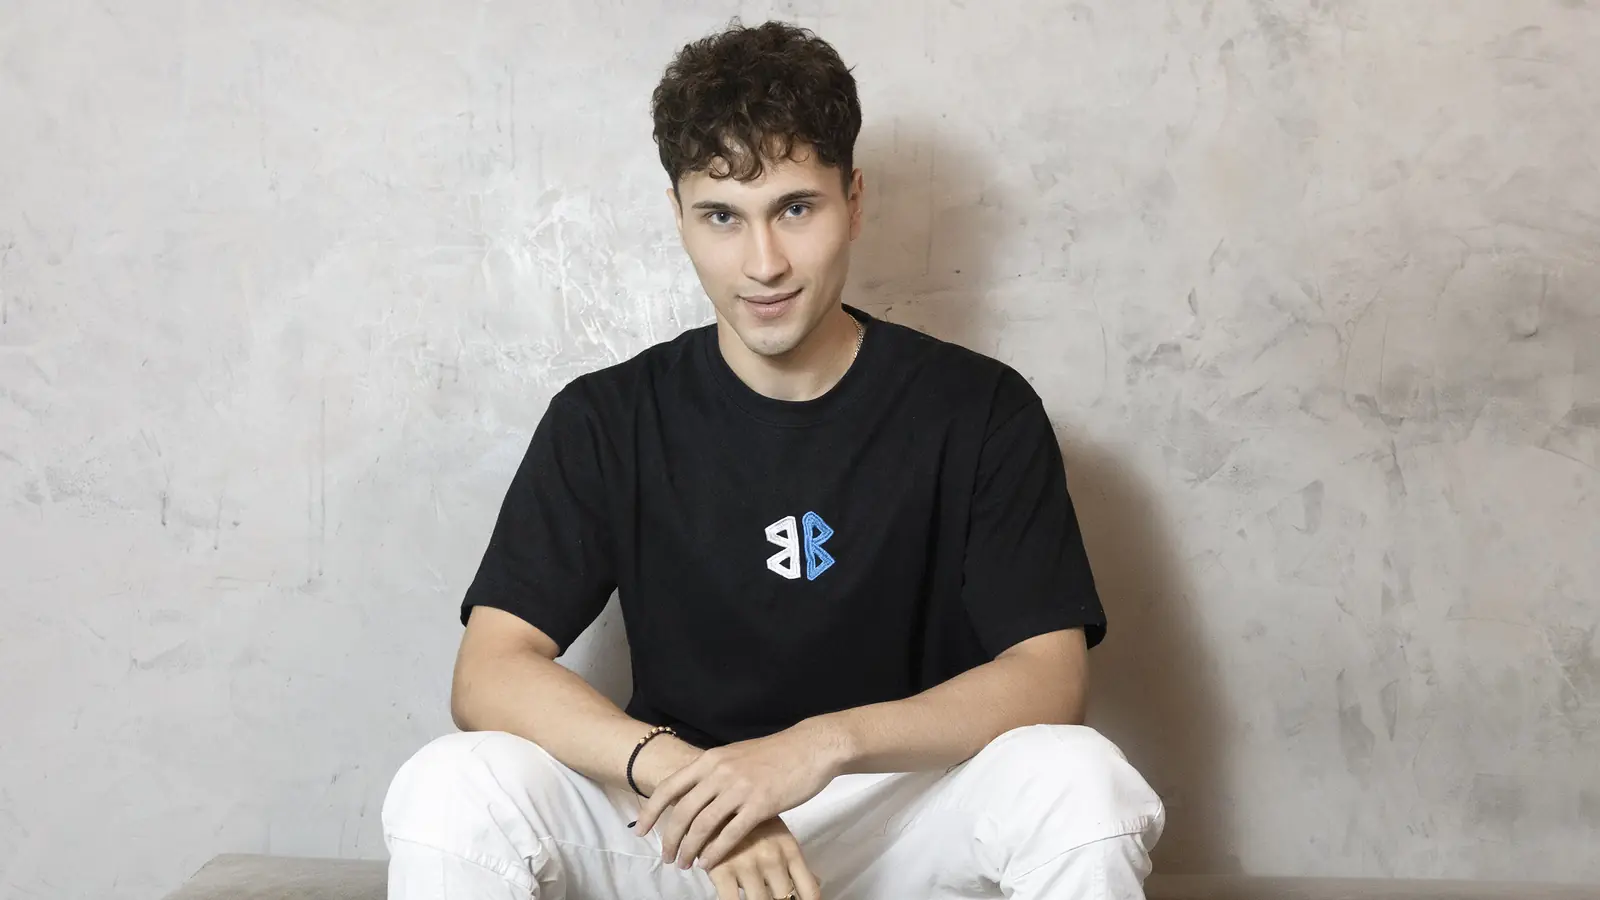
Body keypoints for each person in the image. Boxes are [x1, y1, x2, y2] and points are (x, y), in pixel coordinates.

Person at [381, 18, 1164, 900]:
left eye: (796, 208)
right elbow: (490, 670)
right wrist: (698, 783)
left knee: (1081, 780)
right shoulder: (606, 417)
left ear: (853, 201)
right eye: (722, 216)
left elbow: (1050, 677)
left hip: (899, 823)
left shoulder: (979, 408)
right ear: (678, 217)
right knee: (451, 785)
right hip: (679, 832)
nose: (764, 264)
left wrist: (815, 748)